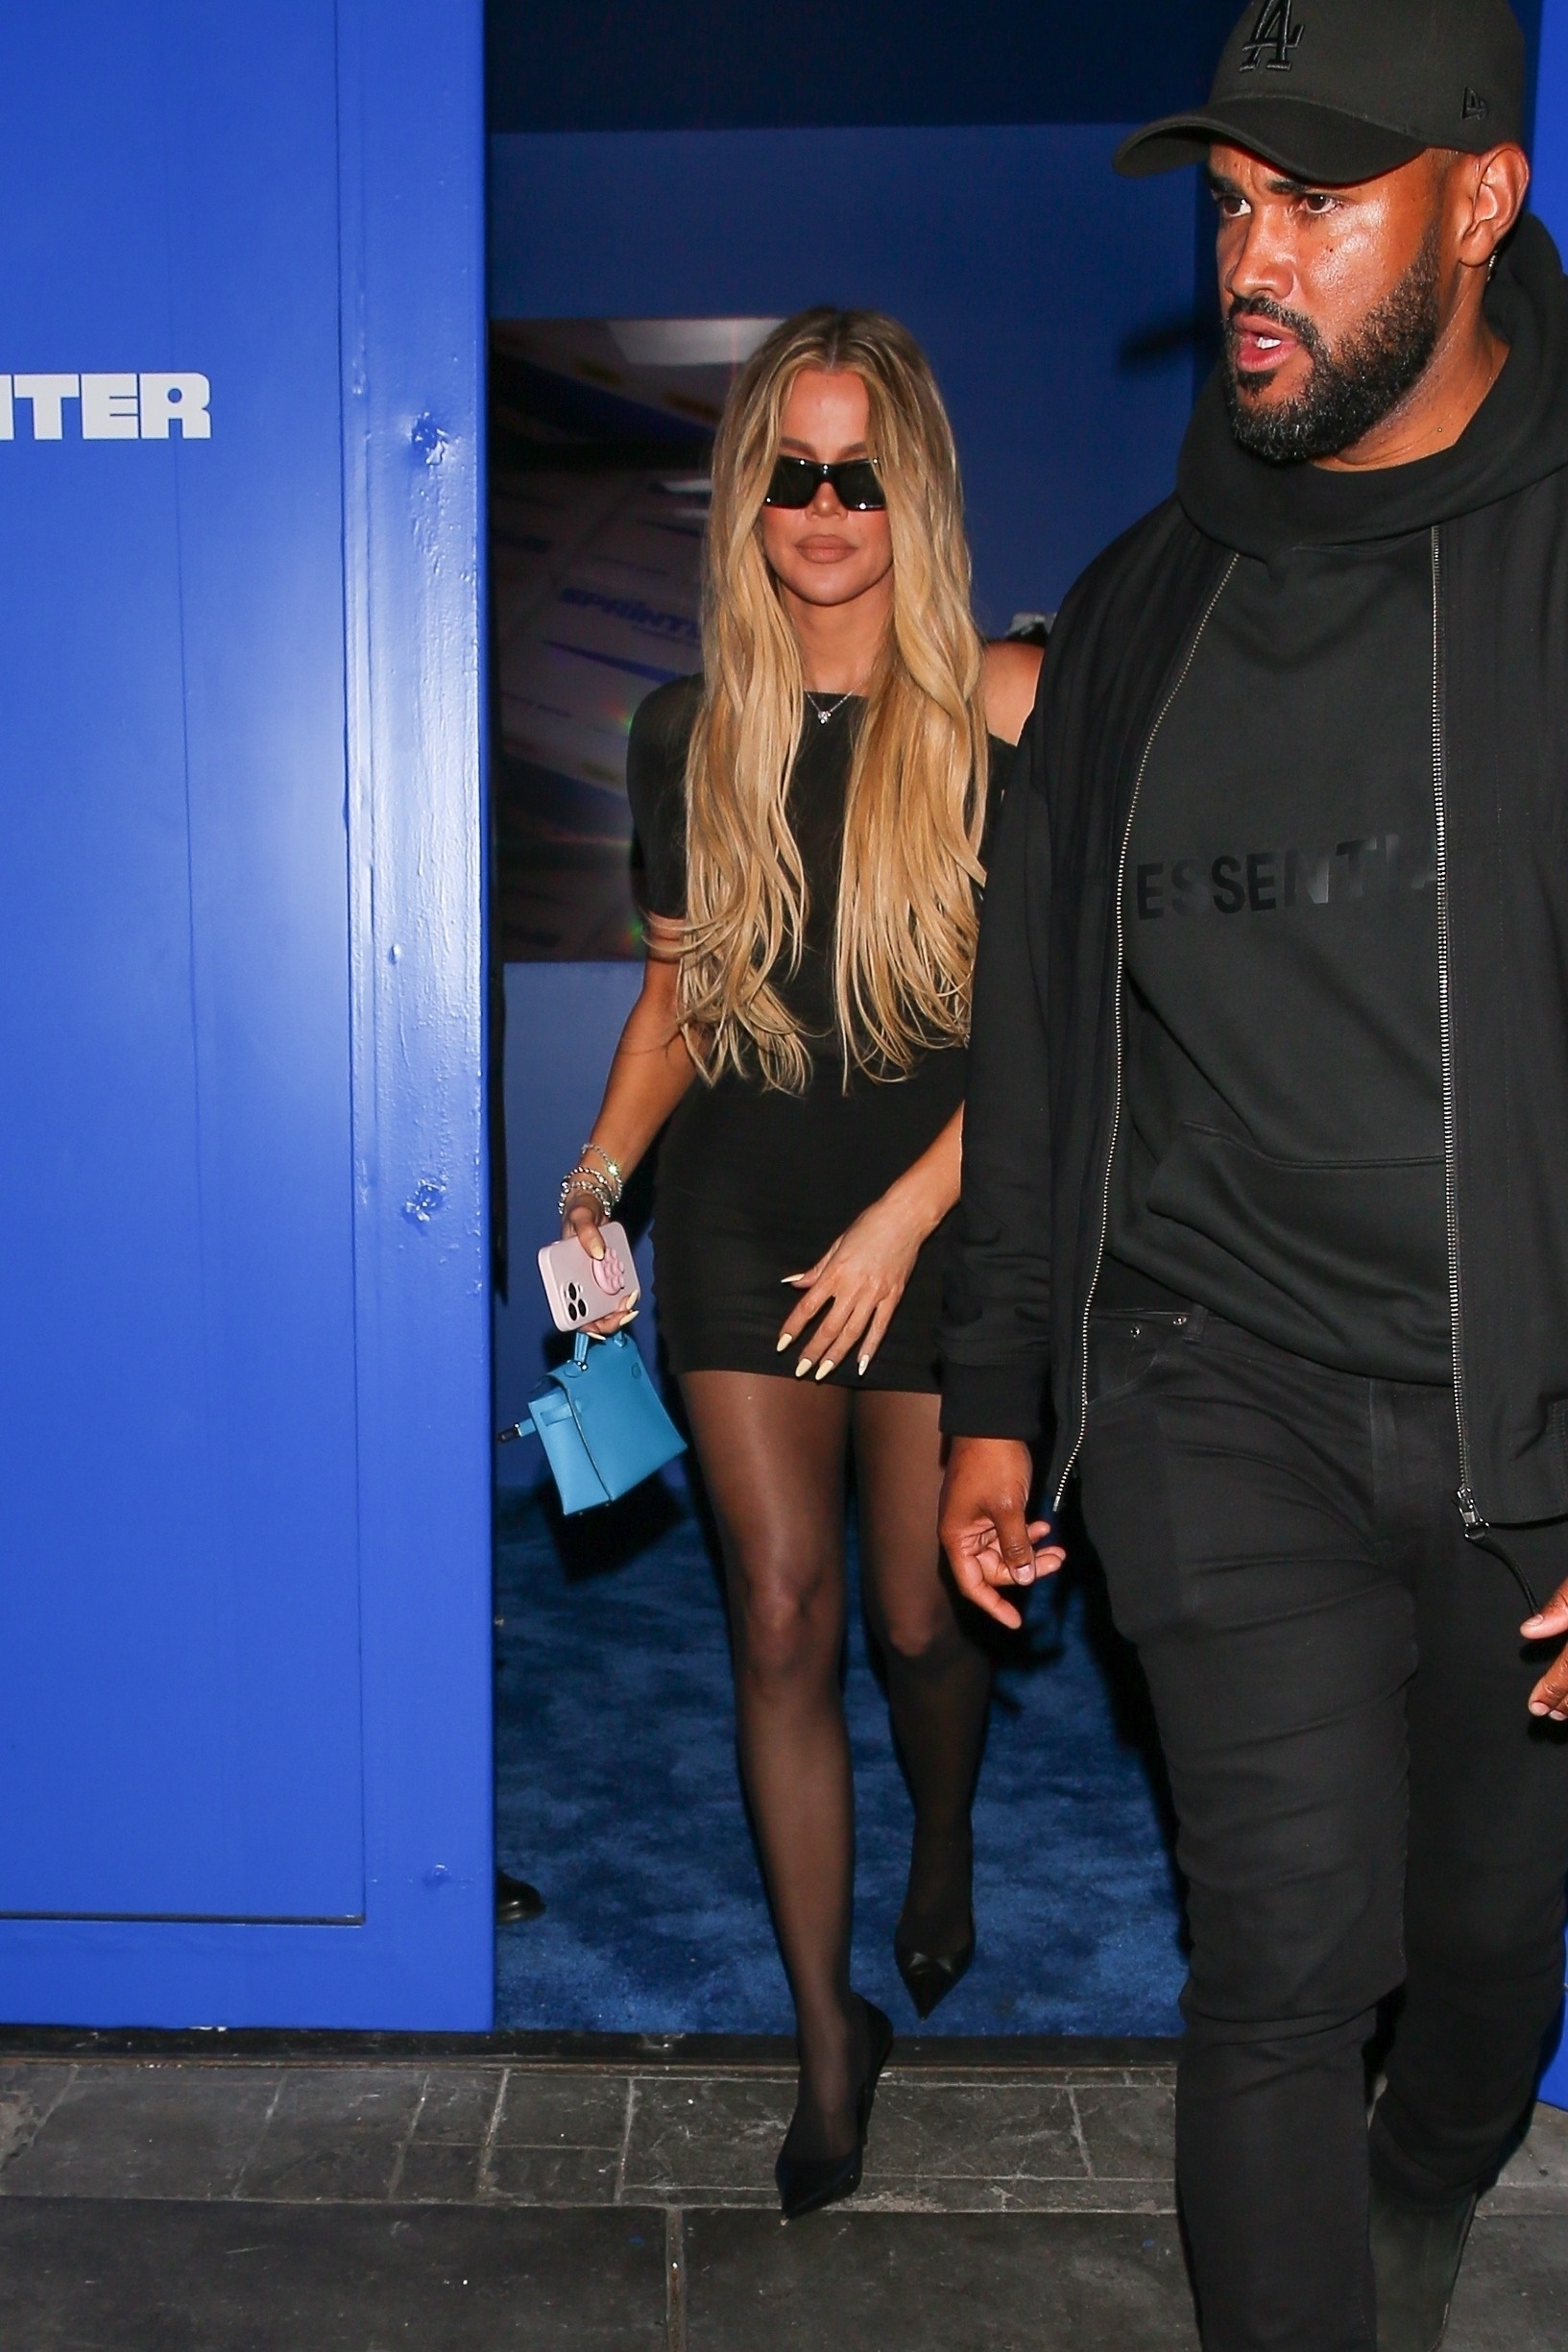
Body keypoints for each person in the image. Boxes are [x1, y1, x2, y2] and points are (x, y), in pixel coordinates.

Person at [937, 2, 1568, 2344]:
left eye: (1316, 201)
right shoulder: (1134, 613)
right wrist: (998, 1386)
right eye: (1229, 208)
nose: (1251, 263)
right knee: (1282, 1960)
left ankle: (1433, 2164)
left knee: (1483, 1943)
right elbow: (1037, 1031)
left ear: (1480, 200)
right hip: (1213, 1380)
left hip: (1531, 1409)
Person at [559, 309, 1049, 2221]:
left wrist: (910, 1214)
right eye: (791, 472)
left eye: (858, 474)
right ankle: (825, 2041)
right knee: (778, 1613)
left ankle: (945, 1834)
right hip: (746, 1218)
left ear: (907, 491)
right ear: (747, 493)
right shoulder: (685, 732)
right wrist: (604, 1171)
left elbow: (1054, 1031)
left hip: (943, 1212)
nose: (825, 508)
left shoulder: (1006, 705)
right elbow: (677, 1004)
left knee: (922, 1618)